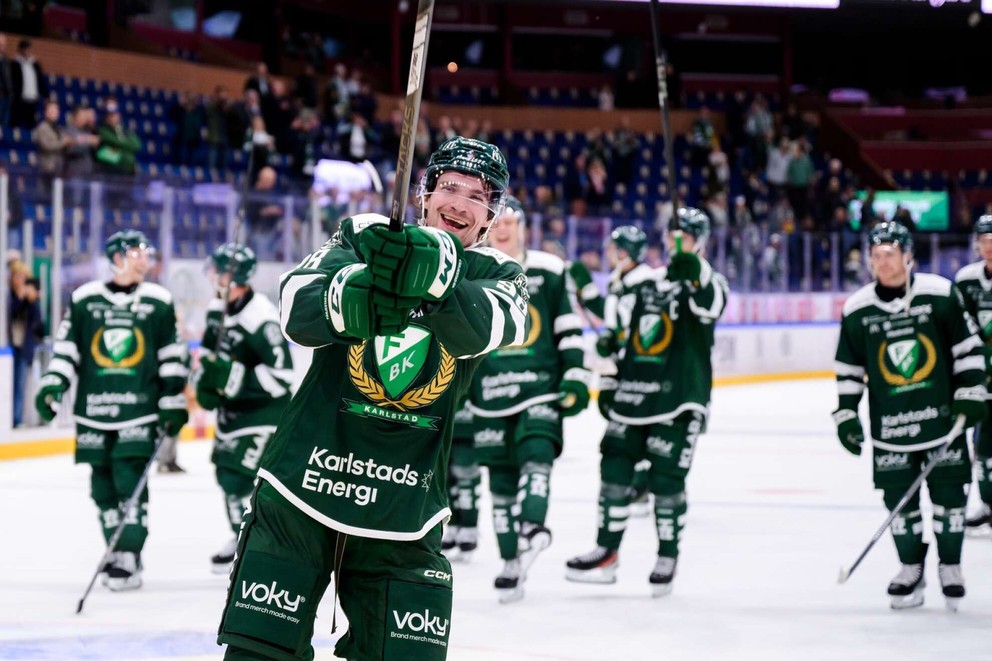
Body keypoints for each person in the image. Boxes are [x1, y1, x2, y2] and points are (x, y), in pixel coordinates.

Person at [216, 136, 529, 660]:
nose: (460, 202)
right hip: (303, 484)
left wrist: (434, 276)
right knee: (258, 654)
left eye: (477, 196)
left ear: (490, 215)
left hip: (405, 507)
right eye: (450, 186)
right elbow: (295, 307)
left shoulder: (500, 276)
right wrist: (354, 292)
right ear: (424, 194)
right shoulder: (365, 235)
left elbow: (487, 327)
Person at [566, 208, 728, 597]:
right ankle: (607, 551)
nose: (677, 245)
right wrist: (612, 356)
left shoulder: (706, 281)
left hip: (678, 399)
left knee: (666, 481)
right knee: (614, 470)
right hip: (634, 395)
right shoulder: (648, 281)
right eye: (673, 237)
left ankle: (667, 555)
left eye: (685, 239)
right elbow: (625, 328)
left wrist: (696, 272)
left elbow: (712, 304)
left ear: (700, 243)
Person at [833, 221, 986, 611]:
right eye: (877, 255)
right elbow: (849, 369)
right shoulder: (857, 309)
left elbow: (968, 350)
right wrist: (847, 414)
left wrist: (970, 394)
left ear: (908, 256)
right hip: (891, 428)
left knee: (950, 502)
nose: (883, 262)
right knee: (900, 505)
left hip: (942, 423)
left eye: (891, 254)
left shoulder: (939, 294)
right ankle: (910, 567)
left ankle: (950, 567)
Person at [34, 230, 190, 591]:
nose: (143, 258)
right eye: (136, 251)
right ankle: (115, 551)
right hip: (92, 412)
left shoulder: (158, 301)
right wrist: (52, 383)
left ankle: (129, 554)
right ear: (117, 257)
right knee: (101, 487)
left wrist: (172, 399)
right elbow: (66, 349)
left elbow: (172, 356)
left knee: (130, 482)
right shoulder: (85, 299)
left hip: (139, 411)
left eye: (145, 252)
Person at [465, 196, 590, 602]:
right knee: (499, 484)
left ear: (522, 225)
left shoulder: (551, 270)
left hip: (540, 387)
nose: (503, 227)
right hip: (488, 393)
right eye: (496, 220)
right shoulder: (473, 269)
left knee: (538, 454)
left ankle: (533, 527)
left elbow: (568, 327)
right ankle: (510, 562)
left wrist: (575, 376)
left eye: (511, 220)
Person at [194, 242, 294, 574]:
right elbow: (210, 358)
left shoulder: (261, 317)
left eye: (218, 270)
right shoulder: (216, 308)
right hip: (233, 412)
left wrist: (231, 377)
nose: (212, 275)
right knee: (227, 475)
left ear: (233, 275)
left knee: (239, 478)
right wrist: (206, 383)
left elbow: (282, 377)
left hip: (264, 414)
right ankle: (243, 537)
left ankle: (256, 543)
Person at [592, 226, 657, 516]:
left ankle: (642, 484)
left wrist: (616, 339)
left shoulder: (645, 282)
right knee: (611, 410)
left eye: (613, 248)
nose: (608, 253)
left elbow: (642, 329)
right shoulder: (622, 280)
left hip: (637, 367)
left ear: (624, 252)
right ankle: (640, 482)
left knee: (634, 425)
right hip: (619, 363)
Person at [953, 214, 992, 533]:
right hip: (981, 378)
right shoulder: (966, 280)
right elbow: (956, 328)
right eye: (984, 240)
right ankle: (989, 504)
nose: (989, 246)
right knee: (982, 449)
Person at [440, 400, 481, 562]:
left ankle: (469, 528)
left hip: (469, 426)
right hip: (444, 425)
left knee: (466, 479)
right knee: (445, 481)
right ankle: (454, 525)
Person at [8, 261, 43, 427]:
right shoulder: (8, 296)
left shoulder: (28, 299)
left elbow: (38, 323)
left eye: (23, 276)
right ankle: (11, 418)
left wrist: (33, 300)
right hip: (9, 346)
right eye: (17, 276)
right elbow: (11, 314)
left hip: (23, 347)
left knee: (20, 384)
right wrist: (21, 298)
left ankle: (17, 418)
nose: (20, 280)